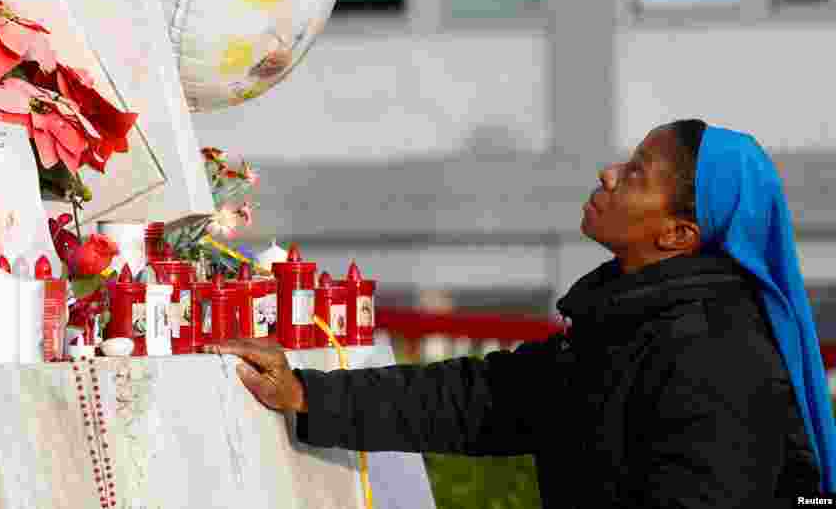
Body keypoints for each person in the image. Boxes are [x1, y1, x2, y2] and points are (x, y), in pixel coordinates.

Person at [213, 120, 836, 507]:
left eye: (637, 173)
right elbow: (482, 399)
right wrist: (304, 393)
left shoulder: (717, 356)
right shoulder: (629, 325)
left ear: (677, 234)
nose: (608, 172)